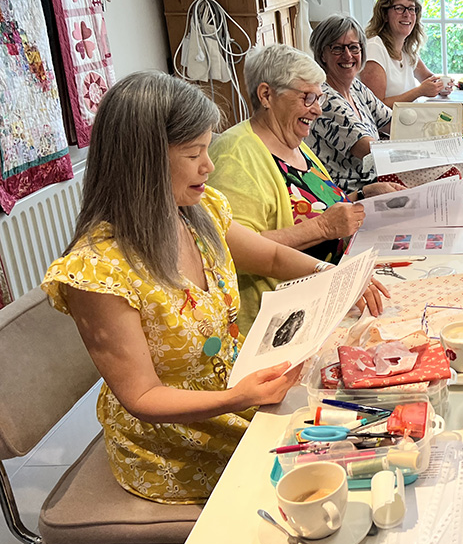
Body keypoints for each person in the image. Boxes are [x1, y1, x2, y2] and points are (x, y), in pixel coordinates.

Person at [41, 72, 387, 503]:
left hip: (236, 392)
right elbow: (143, 396)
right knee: (342, 463)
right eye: (194, 153)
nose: (210, 166)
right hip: (176, 438)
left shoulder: (196, 212)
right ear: (143, 162)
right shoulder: (97, 272)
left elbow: (274, 257)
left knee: (364, 418)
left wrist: (336, 279)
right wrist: (235, 397)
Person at [208, 44, 372, 335]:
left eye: (319, 98)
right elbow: (233, 252)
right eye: (307, 97)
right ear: (266, 95)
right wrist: (322, 228)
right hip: (283, 321)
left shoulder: (293, 142)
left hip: (330, 296)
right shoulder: (237, 153)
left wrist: (362, 196)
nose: (318, 109)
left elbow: (316, 206)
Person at [306, 13, 402, 198]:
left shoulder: (355, 86)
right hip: (347, 199)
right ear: (322, 54)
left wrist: (441, 130)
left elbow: (395, 122)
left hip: (374, 186)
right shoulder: (325, 99)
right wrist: (430, 149)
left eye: (353, 47)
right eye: (337, 48)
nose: (348, 55)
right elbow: (370, 151)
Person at [360, 0, 451, 106]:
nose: (407, 14)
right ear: (385, 14)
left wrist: (443, 86)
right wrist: (419, 92)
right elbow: (376, 107)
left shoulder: (406, 50)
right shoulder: (374, 48)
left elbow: (428, 78)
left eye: (411, 8)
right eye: (399, 8)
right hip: (388, 125)